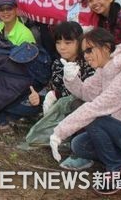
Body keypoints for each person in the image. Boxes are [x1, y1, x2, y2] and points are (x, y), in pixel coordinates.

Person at [50, 28, 121, 196]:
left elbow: (94, 108)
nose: (85, 56)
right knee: (79, 145)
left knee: (95, 119)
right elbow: (86, 93)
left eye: (89, 50)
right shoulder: (105, 69)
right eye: (84, 51)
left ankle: (116, 171)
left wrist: (59, 132)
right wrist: (71, 79)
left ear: (106, 48)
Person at [23, 21, 95, 170]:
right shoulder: (57, 63)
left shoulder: (89, 63)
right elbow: (58, 91)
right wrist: (40, 99)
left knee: (77, 104)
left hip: (86, 111)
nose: (62, 47)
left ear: (80, 42)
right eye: (58, 42)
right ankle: (64, 140)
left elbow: (90, 95)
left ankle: (82, 151)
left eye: (68, 42)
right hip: (65, 108)